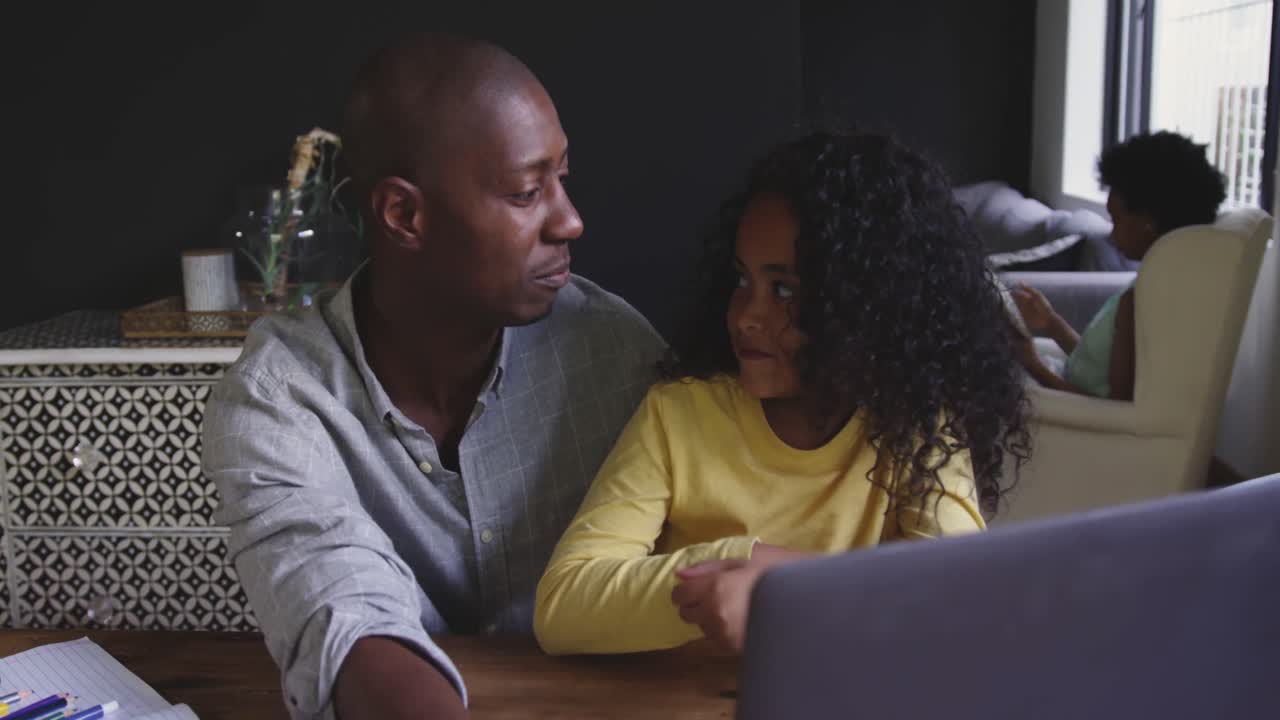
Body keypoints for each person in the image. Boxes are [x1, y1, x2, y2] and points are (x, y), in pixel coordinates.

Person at [201, 33, 665, 720]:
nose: (569, 220)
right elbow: (342, 609)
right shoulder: (278, 400)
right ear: (404, 215)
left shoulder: (619, 355)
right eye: (527, 192)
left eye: (562, 179)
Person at [533, 130, 1032, 656]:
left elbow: (963, 607)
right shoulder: (680, 415)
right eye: (742, 280)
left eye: (785, 290)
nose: (747, 315)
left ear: (869, 307)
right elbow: (564, 603)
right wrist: (737, 561)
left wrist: (790, 583)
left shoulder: (920, 428)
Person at [1013, 131, 1228, 400]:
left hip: (1073, 417)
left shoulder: (1139, 301)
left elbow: (1112, 408)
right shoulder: (1164, 284)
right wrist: (1051, 323)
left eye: (1115, 219)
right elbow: (1095, 369)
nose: (1112, 235)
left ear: (1148, 221)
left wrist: (1032, 363)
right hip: (1071, 393)